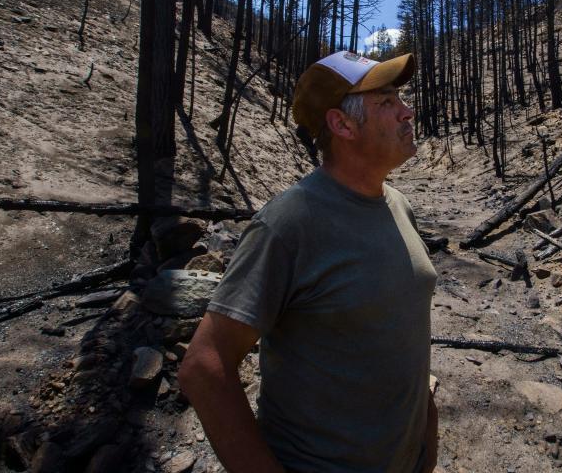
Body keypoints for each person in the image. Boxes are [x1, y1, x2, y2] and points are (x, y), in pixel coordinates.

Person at [179, 51, 439, 473]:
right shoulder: (289, 225)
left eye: (401, 99)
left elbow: (400, 331)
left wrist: (426, 439)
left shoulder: (398, 206)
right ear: (342, 124)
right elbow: (203, 368)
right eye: (387, 102)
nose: (407, 111)